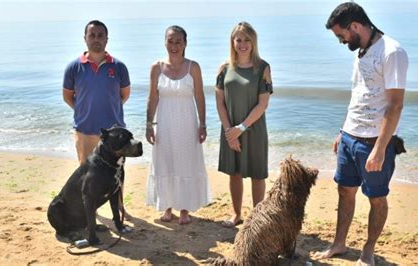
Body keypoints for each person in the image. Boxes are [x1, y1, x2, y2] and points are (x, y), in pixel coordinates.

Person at [313, 3, 408, 266]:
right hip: (350, 137)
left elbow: (395, 104)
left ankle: (368, 250)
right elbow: (359, 95)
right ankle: (339, 243)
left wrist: (380, 148)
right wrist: (342, 131)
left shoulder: (392, 52)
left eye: (341, 35)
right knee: (345, 190)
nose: (341, 41)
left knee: (376, 198)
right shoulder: (362, 52)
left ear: (354, 26)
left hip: (373, 142)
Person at [145, 25, 210, 225]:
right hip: (164, 123)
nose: (174, 45)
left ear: (185, 44)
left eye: (178, 42)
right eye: (170, 41)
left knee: (186, 162)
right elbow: (153, 97)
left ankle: (184, 210)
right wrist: (149, 124)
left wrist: (203, 124)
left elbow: (199, 97)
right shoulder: (156, 67)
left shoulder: (193, 67)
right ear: (165, 42)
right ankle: (167, 208)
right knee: (164, 161)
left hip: (187, 124)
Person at [215, 22, 273, 228]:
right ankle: (236, 214)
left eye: (247, 39)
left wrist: (241, 128)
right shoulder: (224, 68)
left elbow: (263, 103)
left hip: (253, 129)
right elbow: (219, 102)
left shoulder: (263, 68)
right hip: (230, 129)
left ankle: (257, 219)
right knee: (235, 173)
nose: (242, 44)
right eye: (238, 39)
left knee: (257, 175)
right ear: (233, 42)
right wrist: (229, 131)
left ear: (253, 41)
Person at [62, 20, 131, 165]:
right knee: (87, 179)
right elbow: (67, 97)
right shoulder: (73, 67)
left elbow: (124, 95)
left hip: (115, 134)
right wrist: (84, 109)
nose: (96, 39)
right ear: (85, 38)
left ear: (106, 39)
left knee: (115, 178)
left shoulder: (119, 67)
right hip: (85, 132)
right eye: (92, 35)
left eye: (100, 35)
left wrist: (108, 108)